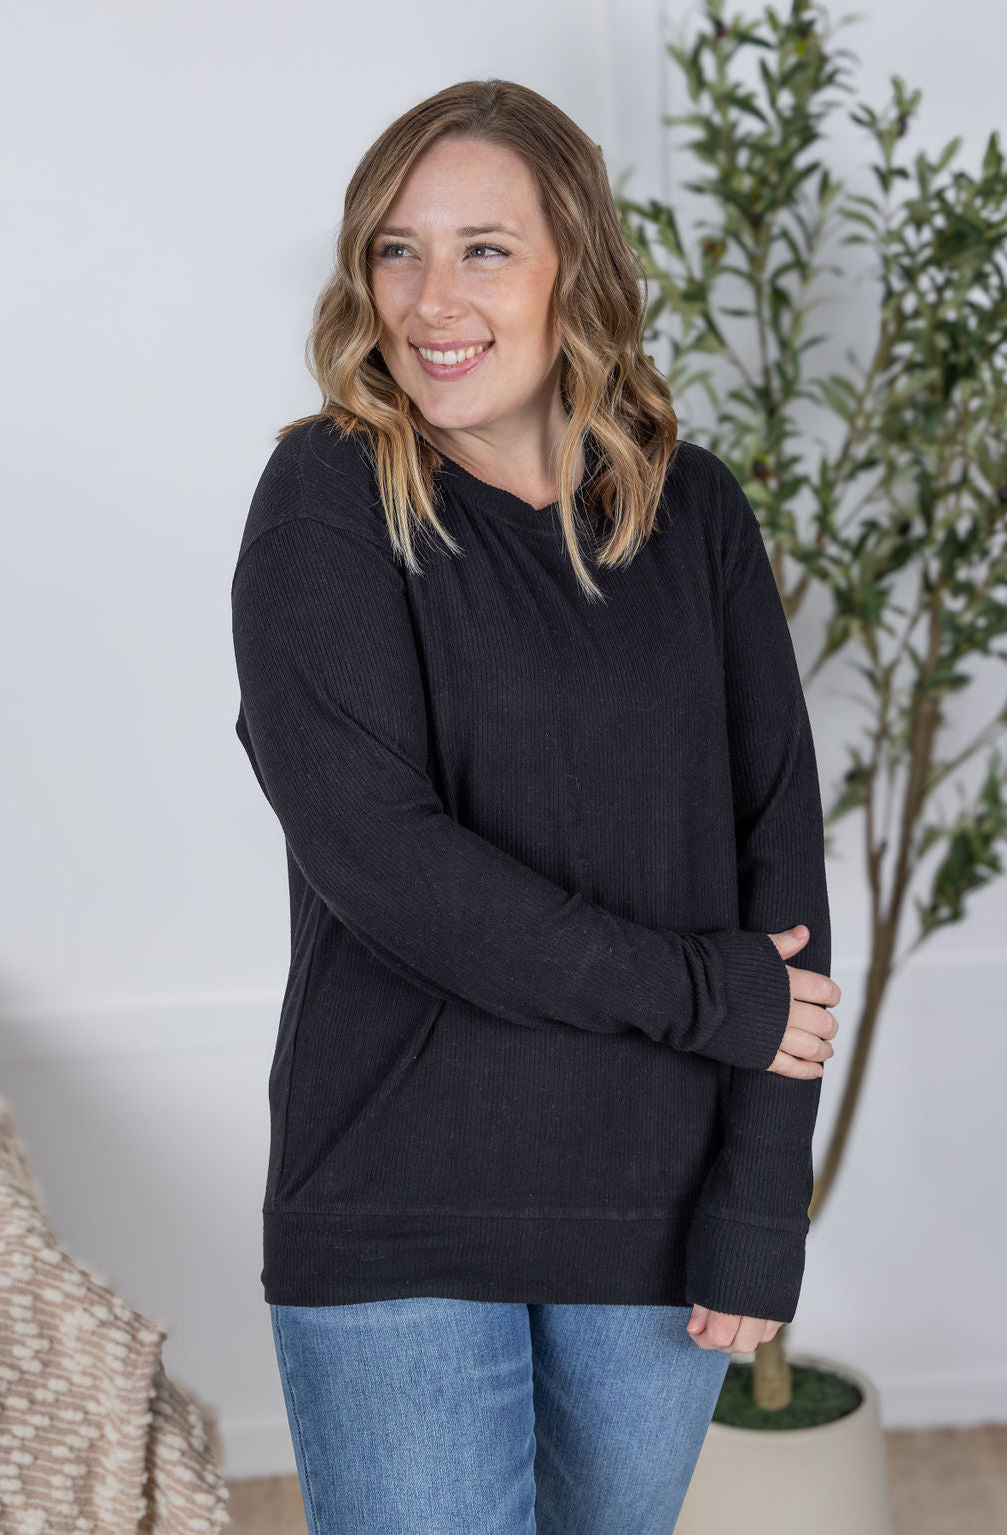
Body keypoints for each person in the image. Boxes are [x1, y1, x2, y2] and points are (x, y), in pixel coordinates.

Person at [230, 77, 841, 1535]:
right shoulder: (326, 496)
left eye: (485, 249)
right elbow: (385, 862)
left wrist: (762, 1205)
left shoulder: (695, 513)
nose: (429, 298)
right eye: (396, 249)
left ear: (578, 267)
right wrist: (700, 995)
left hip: (657, 1213)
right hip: (399, 1200)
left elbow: (781, 861)